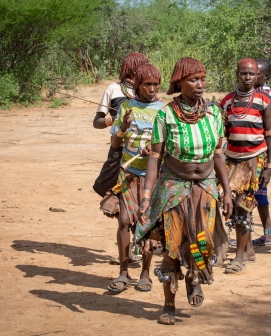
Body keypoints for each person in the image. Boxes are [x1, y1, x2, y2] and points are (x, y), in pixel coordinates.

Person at [136, 57, 233, 325]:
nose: (199, 84)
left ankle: (194, 277)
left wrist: (226, 192)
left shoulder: (214, 113)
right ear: (179, 82)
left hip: (205, 187)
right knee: (172, 245)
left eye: (202, 79)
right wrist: (146, 197)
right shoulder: (165, 115)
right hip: (173, 187)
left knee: (202, 240)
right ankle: (168, 304)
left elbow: (219, 155)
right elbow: (154, 158)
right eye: (193, 80)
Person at [106, 64, 164, 293]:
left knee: (146, 224)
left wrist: (155, 149)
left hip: (152, 176)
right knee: (123, 222)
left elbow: (168, 146)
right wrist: (123, 127)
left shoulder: (164, 110)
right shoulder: (126, 107)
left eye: (155, 85)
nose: (151, 89)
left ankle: (145, 273)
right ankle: (123, 272)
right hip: (128, 175)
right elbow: (115, 144)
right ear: (137, 85)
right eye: (146, 84)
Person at [221, 58, 271, 274]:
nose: (247, 78)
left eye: (251, 74)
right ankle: (248, 249)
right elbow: (224, 134)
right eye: (243, 73)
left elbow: (270, 135)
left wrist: (269, 165)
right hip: (231, 158)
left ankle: (240, 257)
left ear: (257, 76)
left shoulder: (264, 100)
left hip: (254, 158)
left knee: (243, 206)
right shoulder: (227, 102)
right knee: (232, 206)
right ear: (237, 74)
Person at [92, 52, 150, 198]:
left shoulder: (148, 89)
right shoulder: (114, 89)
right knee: (112, 179)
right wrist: (114, 119)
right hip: (119, 144)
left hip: (143, 146)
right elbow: (96, 122)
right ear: (131, 69)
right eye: (142, 67)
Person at [251, 57, 271, 247]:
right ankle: (265, 233)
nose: (253, 76)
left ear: (266, 76)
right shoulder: (244, 95)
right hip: (247, 149)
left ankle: (268, 233)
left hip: (262, 151)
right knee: (252, 192)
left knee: (259, 192)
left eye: (257, 73)